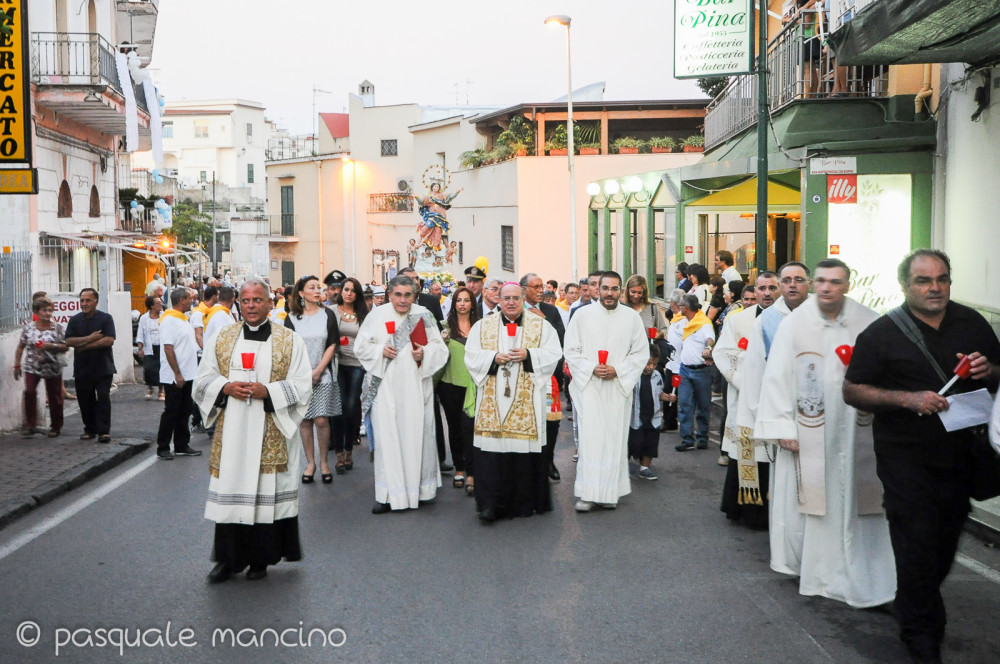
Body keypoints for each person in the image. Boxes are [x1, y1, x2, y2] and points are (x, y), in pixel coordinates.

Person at [843, 249, 1000, 663]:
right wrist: (906, 398)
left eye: (942, 279)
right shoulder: (881, 334)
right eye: (924, 281)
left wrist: (991, 371)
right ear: (905, 285)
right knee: (916, 544)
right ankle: (921, 634)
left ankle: (917, 602)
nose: (935, 288)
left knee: (944, 544)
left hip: (963, 456)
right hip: (905, 460)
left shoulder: (972, 323)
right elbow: (853, 390)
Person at [755, 259, 894, 610]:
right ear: (814, 284)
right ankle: (816, 571)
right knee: (815, 502)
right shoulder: (794, 325)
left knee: (856, 501)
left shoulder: (870, 322)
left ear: (847, 284)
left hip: (856, 429)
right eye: (822, 281)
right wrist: (782, 427)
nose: (828, 287)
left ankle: (863, 573)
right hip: (810, 428)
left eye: (835, 281)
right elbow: (776, 377)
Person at [194, 278, 313, 583]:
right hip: (233, 429)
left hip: (270, 425)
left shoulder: (289, 340)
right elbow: (203, 379)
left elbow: (302, 385)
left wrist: (268, 392)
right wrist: (226, 386)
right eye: (245, 301)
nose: (251, 306)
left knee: (265, 494)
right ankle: (227, 560)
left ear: (269, 303)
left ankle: (261, 559)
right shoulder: (223, 337)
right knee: (232, 493)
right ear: (238, 303)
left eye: (257, 300)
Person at [464, 281, 562, 522]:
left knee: (522, 453)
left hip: (526, 400)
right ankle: (489, 506)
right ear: (498, 299)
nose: (510, 302)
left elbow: (554, 354)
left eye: (515, 298)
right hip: (493, 398)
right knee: (491, 452)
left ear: (523, 299)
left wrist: (530, 355)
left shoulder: (541, 326)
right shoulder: (482, 326)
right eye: (506, 298)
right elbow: (471, 356)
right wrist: (493, 357)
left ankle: (524, 504)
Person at [354, 275, 449, 513]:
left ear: (414, 295)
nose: (403, 300)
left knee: (418, 435)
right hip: (386, 388)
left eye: (408, 295)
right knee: (388, 439)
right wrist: (380, 349)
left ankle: (422, 490)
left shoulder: (424, 315)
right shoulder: (376, 315)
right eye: (398, 294)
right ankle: (387, 494)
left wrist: (424, 354)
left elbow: (440, 349)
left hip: (417, 385)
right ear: (389, 294)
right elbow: (360, 347)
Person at [565, 271, 650, 512]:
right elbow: (571, 350)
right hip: (590, 387)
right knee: (591, 439)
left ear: (620, 291)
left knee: (614, 438)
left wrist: (618, 370)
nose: (609, 293)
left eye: (614, 289)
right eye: (605, 288)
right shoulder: (582, 316)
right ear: (597, 289)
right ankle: (588, 493)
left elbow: (640, 353)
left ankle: (609, 492)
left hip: (617, 388)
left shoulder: (632, 318)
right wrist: (592, 368)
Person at [714, 273, 776, 528]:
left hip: (779, 399)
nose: (767, 293)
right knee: (748, 452)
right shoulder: (738, 320)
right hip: (746, 398)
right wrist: (747, 375)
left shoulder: (794, 320)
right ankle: (747, 511)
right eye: (762, 288)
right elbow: (723, 353)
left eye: (773, 287)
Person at [284, 275, 342, 483]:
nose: (317, 291)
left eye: (319, 287)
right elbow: (288, 348)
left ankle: (324, 461)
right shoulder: (291, 318)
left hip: (323, 373)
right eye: (312, 287)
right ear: (301, 293)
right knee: (306, 420)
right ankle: (310, 463)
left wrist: (318, 370)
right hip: (300, 376)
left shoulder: (328, 315)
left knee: (321, 419)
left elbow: (333, 343)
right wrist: (304, 373)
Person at [521, 273, 567, 482]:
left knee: (551, 422)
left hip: (549, 377)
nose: (541, 290)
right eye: (536, 287)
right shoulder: (515, 310)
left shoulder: (550, 310)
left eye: (541, 286)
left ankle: (548, 460)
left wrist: (545, 321)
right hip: (524, 376)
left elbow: (561, 337)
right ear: (524, 289)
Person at [438, 287, 480, 494]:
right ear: (453, 304)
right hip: (450, 384)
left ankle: (473, 471)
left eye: (466, 300)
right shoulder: (444, 327)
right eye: (458, 300)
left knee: (470, 428)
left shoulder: (481, 327)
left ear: (472, 303)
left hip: (474, 385)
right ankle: (460, 468)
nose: (462, 304)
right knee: (454, 428)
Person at [156, 288, 203, 460]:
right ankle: (163, 447)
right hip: (175, 376)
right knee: (172, 411)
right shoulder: (169, 320)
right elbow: (168, 348)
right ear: (182, 300)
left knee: (185, 411)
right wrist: (177, 374)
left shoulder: (183, 319)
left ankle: (181, 444)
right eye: (190, 298)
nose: (192, 301)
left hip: (189, 374)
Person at [65, 288, 116, 443]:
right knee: (85, 400)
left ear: (96, 301)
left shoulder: (106, 319)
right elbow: (68, 341)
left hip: (103, 367)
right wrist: (90, 338)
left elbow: (109, 340)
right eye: (82, 300)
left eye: (88, 300)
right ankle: (90, 429)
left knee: (103, 397)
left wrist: (84, 346)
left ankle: (103, 431)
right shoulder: (75, 320)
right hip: (83, 368)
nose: (84, 303)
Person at [14, 297, 69, 437]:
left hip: (52, 367)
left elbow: (65, 346)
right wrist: (17, 364)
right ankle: (30, 424)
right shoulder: (28, 328)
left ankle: (56, 426)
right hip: (32, 366)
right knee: (30, 392)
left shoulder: (57, 328)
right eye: (44, 310)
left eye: (50, 310)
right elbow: (21, 347)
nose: (48, 313)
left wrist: (51, 346)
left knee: (54, 397)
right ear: (36, 312)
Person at [331, 277, 369, 474]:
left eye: (353, 290)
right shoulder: (331, 311)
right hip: (337, 363)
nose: (348, 293)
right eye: (346, 289)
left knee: (351, 405)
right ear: (341, 291)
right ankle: (339, 454)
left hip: (356, 364)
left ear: (357, 294)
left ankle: (348, 449)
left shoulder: (363, 313)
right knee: (338, 407)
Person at [673, 294, 717, 452]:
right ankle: (687, 439)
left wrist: (708, 349)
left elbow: (710, 338)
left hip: (701, 371)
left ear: (686, 308)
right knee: (684, 404)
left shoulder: (703, 323)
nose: (679, 308)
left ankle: (702, 437)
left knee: (703, 406)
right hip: (685, 369)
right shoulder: (685, 321)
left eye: (681, 306)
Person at [629, 344, 670, 480]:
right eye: (648, 363)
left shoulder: (657, 375)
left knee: (650, 444)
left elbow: (659, 393)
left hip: (653, 416)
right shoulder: (633, 375)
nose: (651, 367)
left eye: (654, 364)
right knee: (633, 442)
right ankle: (623, 465)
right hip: (636, 417)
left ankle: (645, 467)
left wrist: (667, 396)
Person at [415, 182, 462, 251]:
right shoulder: (428, 196)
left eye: (437, 187)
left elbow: (450, 197)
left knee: (438, 231)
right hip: (431, 214)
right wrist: (416, 197)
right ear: (432, 187)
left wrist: (458, 191)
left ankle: (435, 247)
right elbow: (422, 202)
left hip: (440, 215)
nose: (436, 188)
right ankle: (424, 239)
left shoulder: (441, 196)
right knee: (428, 225)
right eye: (435, 186)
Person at [137, 295, 164, 401]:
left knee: (161, 369)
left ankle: (161, 391)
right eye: (157, 303)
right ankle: (149, 388)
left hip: (161, 346)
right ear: (152, 306)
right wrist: (140, 347)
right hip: (149, 347)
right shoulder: (144, 318)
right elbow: (140, 333)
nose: (160, 304)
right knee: (148, 369)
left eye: (160, 302)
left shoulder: (164, 316)